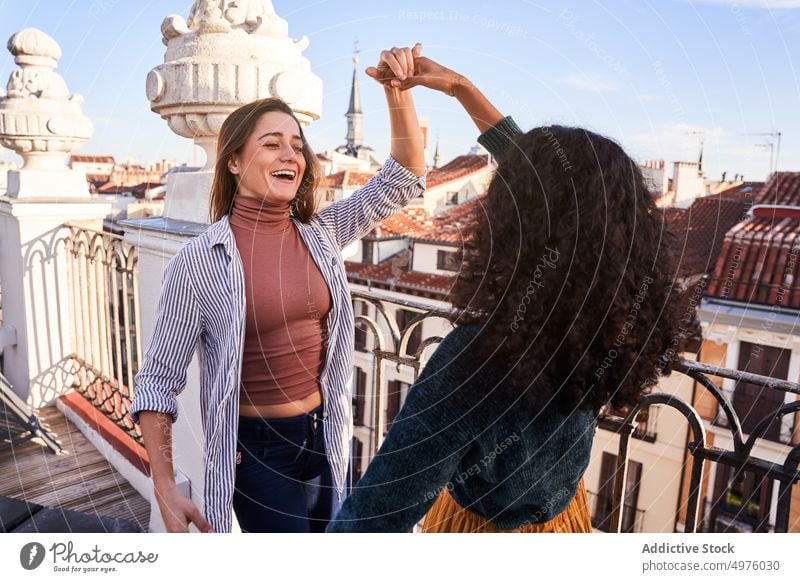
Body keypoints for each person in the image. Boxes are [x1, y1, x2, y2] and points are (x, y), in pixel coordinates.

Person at [326, 57, 685, 532]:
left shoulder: (480, 354)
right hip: (563, 522)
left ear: (514, 223)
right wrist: (459, 87)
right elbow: (567, 196)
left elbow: (373, 518)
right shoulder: (602, 325)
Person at [129, 44, 427, 533]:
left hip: (327, 432)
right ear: (232, 163)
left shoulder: (323, 234)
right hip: (258, 452)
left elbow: (404, 176)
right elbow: (158, 383)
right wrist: (163, 485)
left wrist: (398, 93)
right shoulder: (200, 262)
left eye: (296, 143)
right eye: (271, 143)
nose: (291, 153)